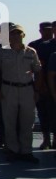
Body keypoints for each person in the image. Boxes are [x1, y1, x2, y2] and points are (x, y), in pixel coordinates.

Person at [0, 23, 42, 163]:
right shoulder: (1, 52)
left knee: (27, 121)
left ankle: (26, 151)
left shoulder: (31, 52)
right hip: (8, 89)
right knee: (9, 121)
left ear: (23, 35)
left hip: (27, 90)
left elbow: (38, 72)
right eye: (13, 33)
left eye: (19, 33)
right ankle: (12, 150)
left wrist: (36, 90)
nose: (16, 36)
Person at [27, 21, 54, 149]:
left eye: (50, 29)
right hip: (42, 86)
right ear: (40, 31)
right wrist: (39, 87)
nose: (47, 32)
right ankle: (46, 139)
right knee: (43, 113)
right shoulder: (35, 46)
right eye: (45, 30)